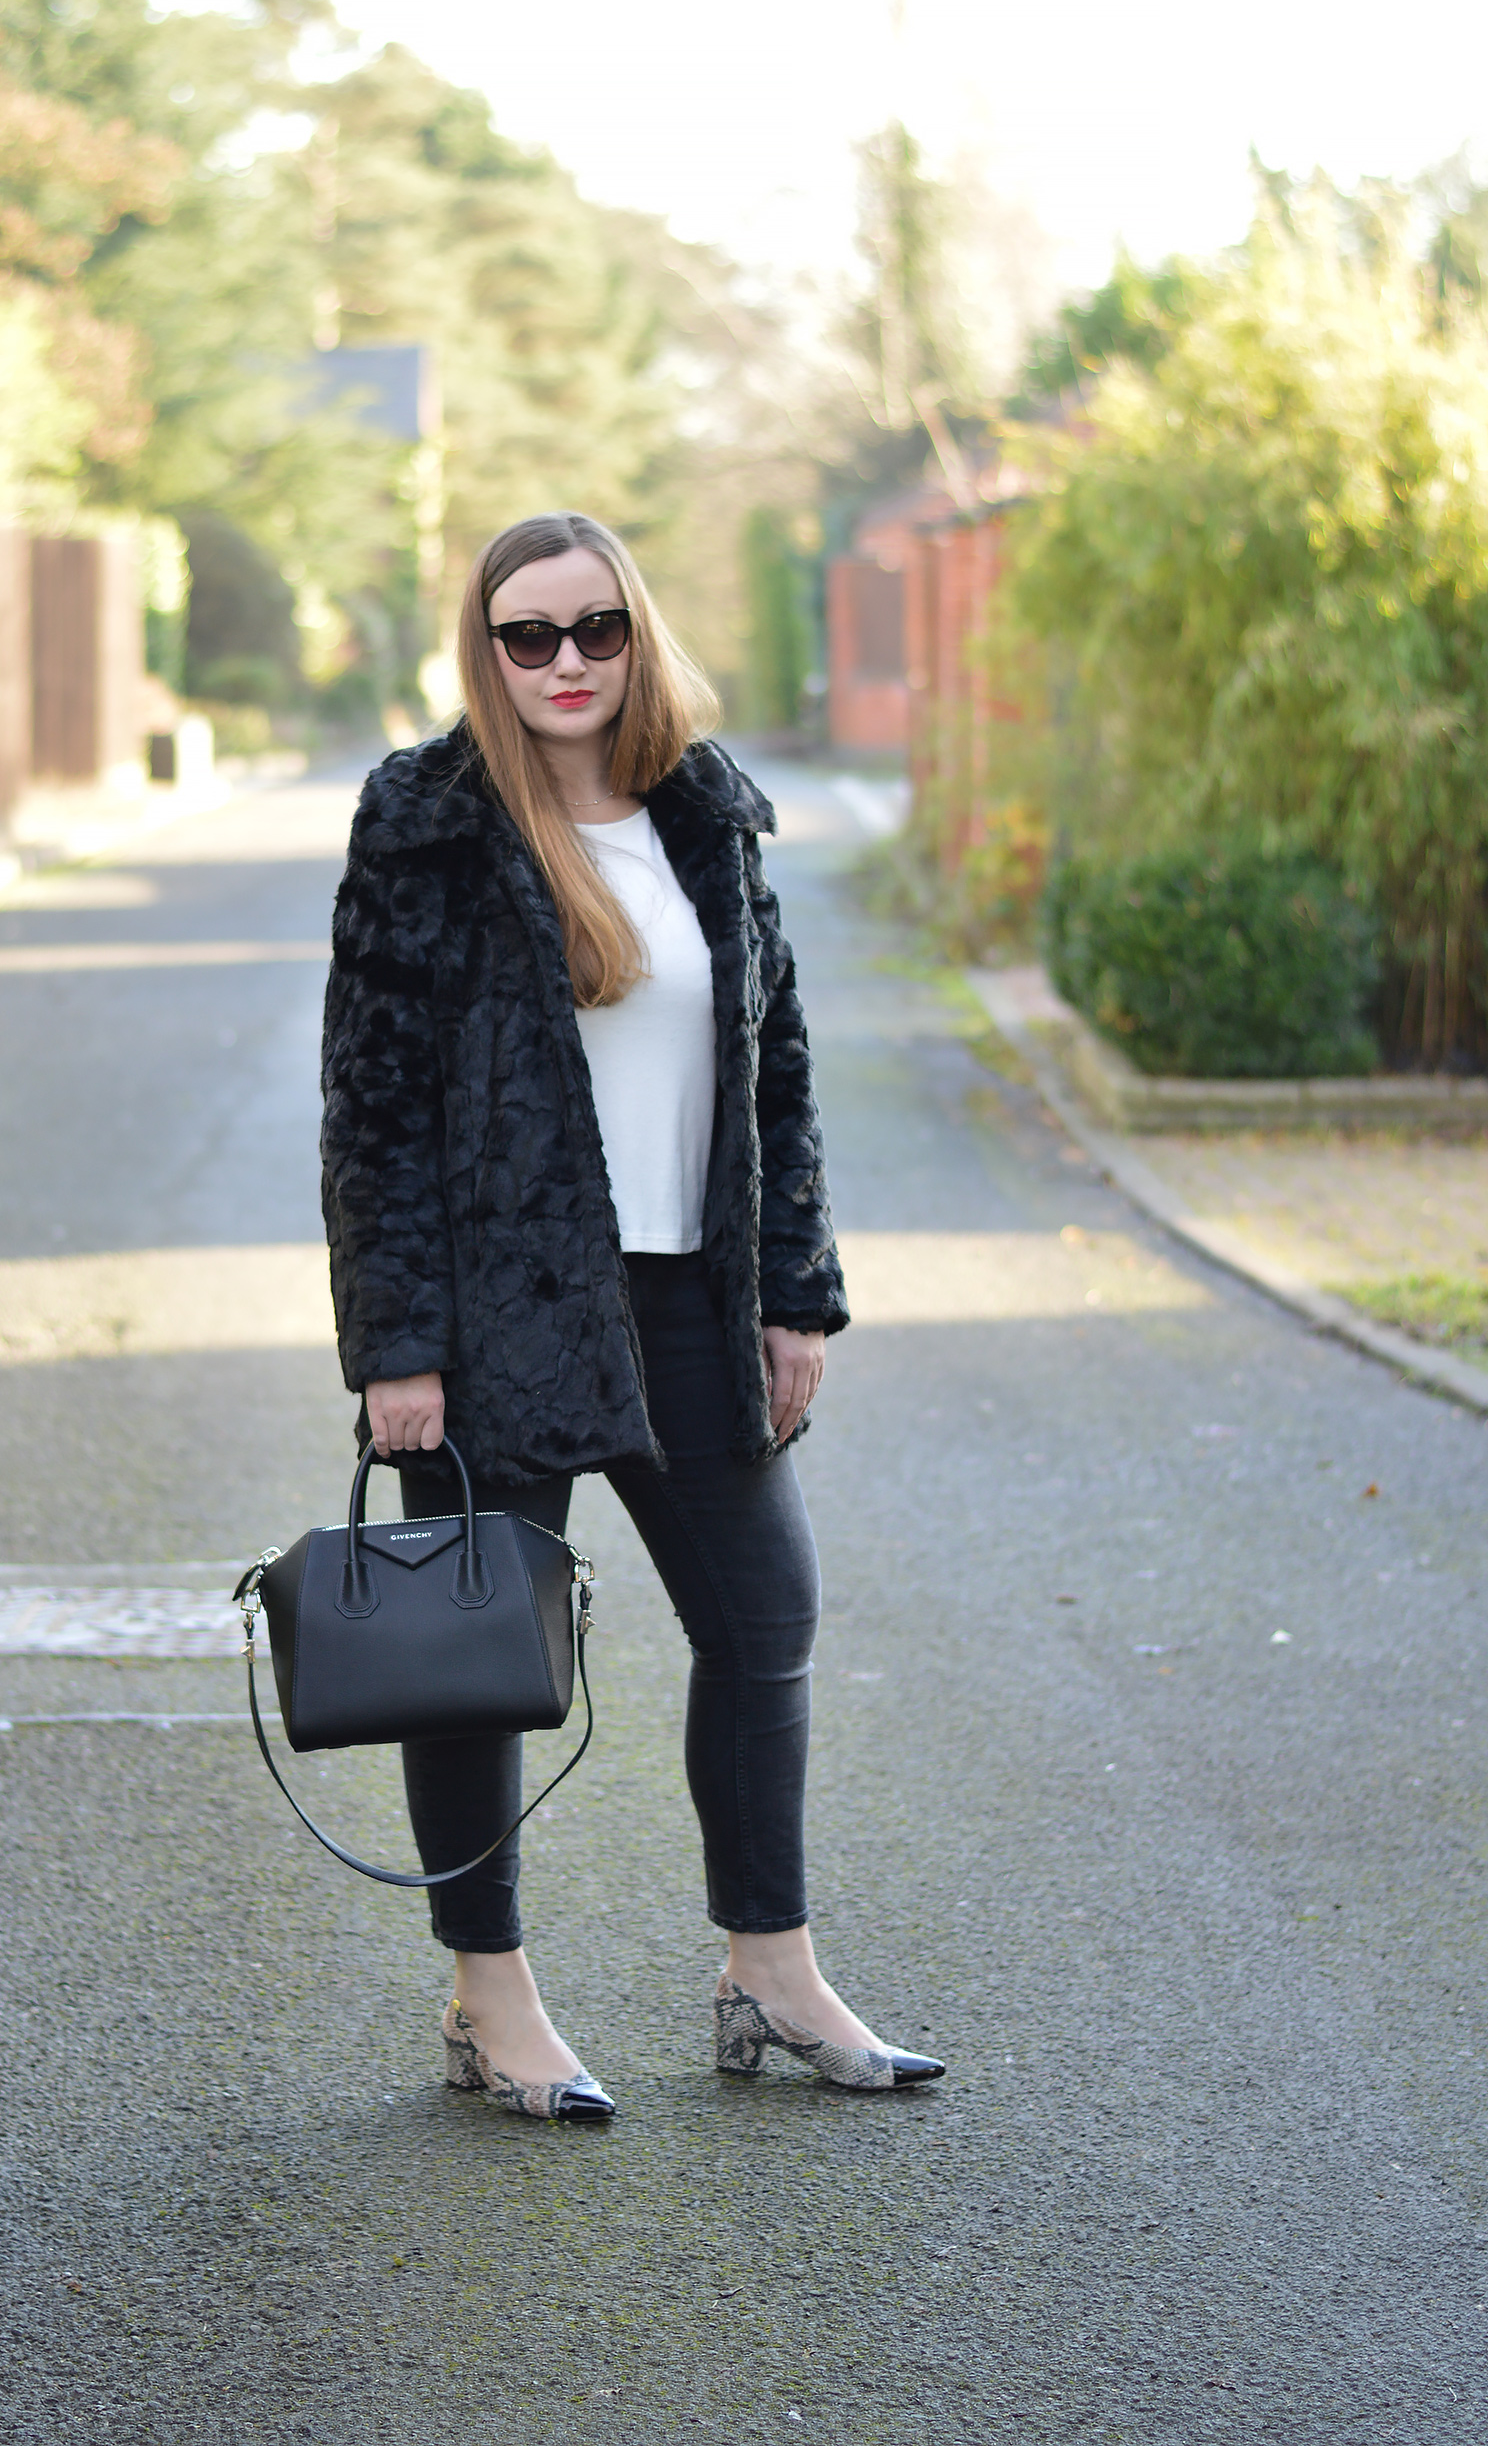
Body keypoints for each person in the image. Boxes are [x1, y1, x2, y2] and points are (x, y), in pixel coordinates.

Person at [320, 509, 944, 2122]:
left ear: (636, 629)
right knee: (473, 1653)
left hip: (690, 1298)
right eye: (528, 636)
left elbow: (780, 1073)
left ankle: (771, 1973)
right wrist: (398, 1345)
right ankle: (491, 2002)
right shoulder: (428, 823)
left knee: (763, 1623)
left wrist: (795, 1293)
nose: (568, 663)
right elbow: (372, 1106)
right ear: (487, 649)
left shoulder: (705, 814)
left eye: (596, 627)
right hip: (494, 1306)